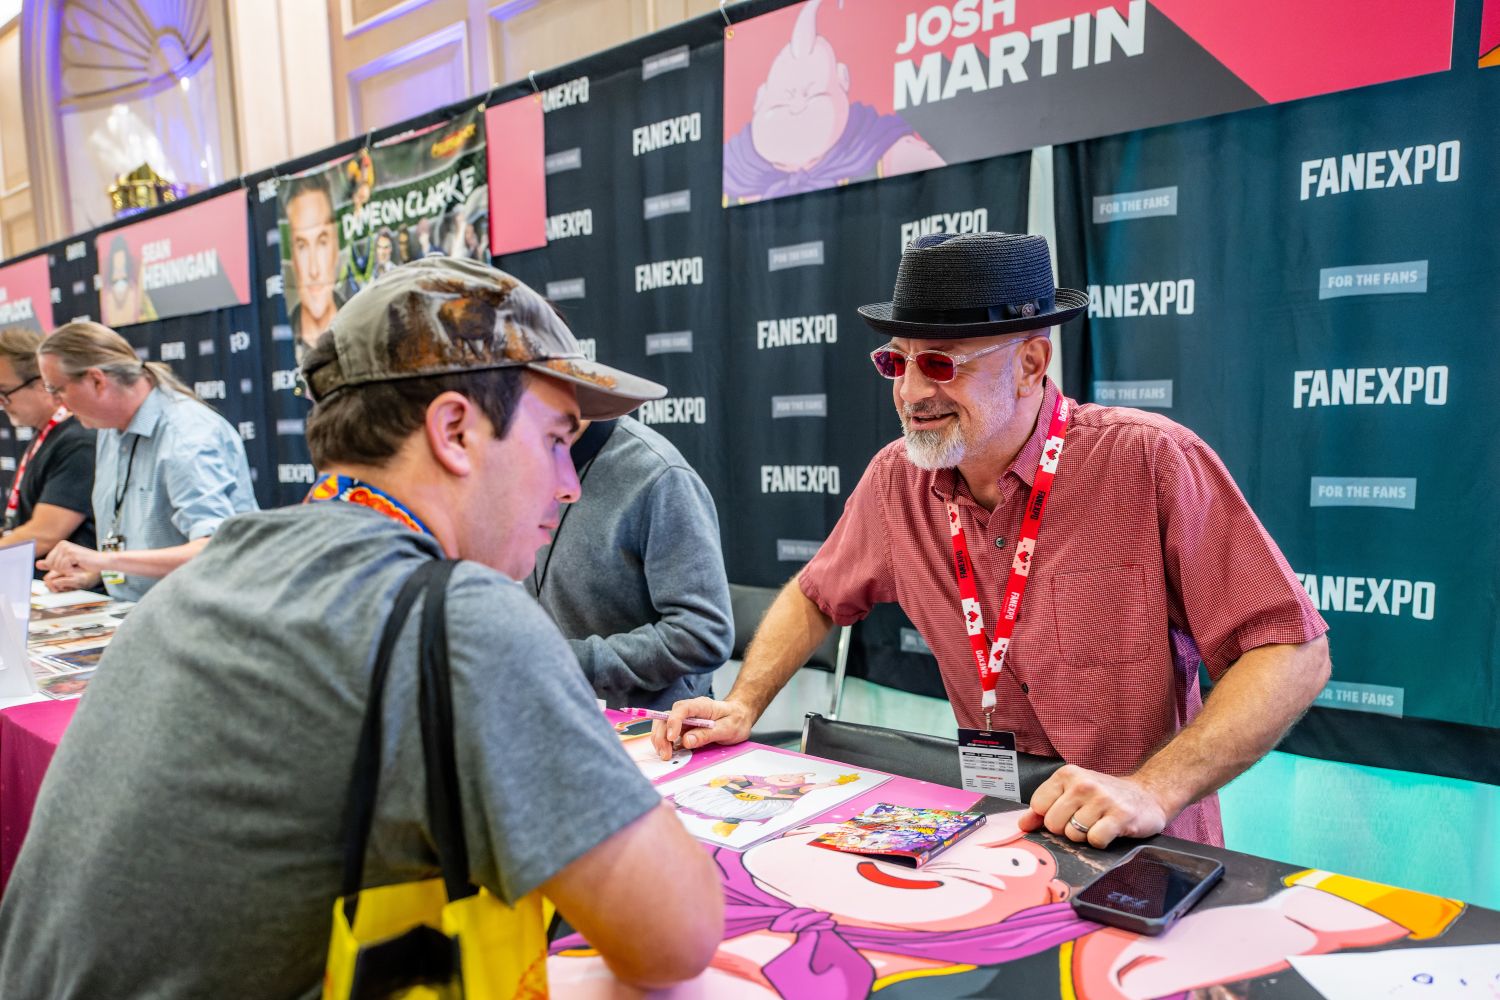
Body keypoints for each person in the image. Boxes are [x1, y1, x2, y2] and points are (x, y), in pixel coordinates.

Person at [0, 257, 723, 996]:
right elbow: (679, 938)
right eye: (554, 441)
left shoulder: (201, 586)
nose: (569, 485)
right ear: (454, 431)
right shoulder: (458, 617)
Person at [656, 231, 1331, 849]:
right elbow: (815, 596)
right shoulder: (897, 480)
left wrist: (1152, 789)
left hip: (1136, 842)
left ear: (1032, 362)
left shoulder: (1149, 461)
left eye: (943, 365)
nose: (912, 392)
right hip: (987, 836)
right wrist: (743, 704)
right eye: (898, 362)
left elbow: (1294, 652)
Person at [34, 322, 257, 601]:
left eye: (58, 390)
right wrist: (94, 573)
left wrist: (104, 562)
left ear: (96, 380)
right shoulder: (108, 429)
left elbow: (215, 548)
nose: (59, 404)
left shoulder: (186, 435)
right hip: (143, 612)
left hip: (203, 619)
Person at [526, 414, 733, 710]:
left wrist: (569, 660)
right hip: (561, 711)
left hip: (651, 733)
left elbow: (703, 633)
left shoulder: (659, 475)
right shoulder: (521, 458)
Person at [0, 329, 96, 577]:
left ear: (42, 383)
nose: (1, 403)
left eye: (5, 393)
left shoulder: (78, 440)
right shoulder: (47, 435)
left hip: (74, 593)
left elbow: (44, 534)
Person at [282, 171, 344, 351]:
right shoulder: (279, 345)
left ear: (336, 246)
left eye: (322, 242)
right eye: (302, 246)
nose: (314, 270)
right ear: (292, 256)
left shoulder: (360, 331)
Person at [98, 234, 156, 327]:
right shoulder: (107, 293)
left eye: (122, 267)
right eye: (117, 268)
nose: (120, 273)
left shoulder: (134, 290)